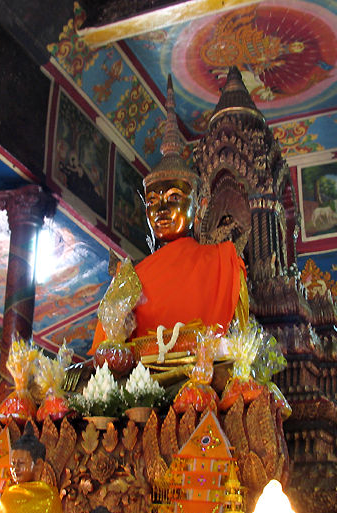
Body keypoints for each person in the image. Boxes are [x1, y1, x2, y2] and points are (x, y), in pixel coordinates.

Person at [90, 77, 246, 353]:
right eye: (152, 202)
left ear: (200, 205)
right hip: (139, 391)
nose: (161, 210)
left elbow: (239, 350)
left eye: (174, 198)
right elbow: (106, 356)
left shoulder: (223, 262)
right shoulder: (130, 278)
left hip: (204, 388)